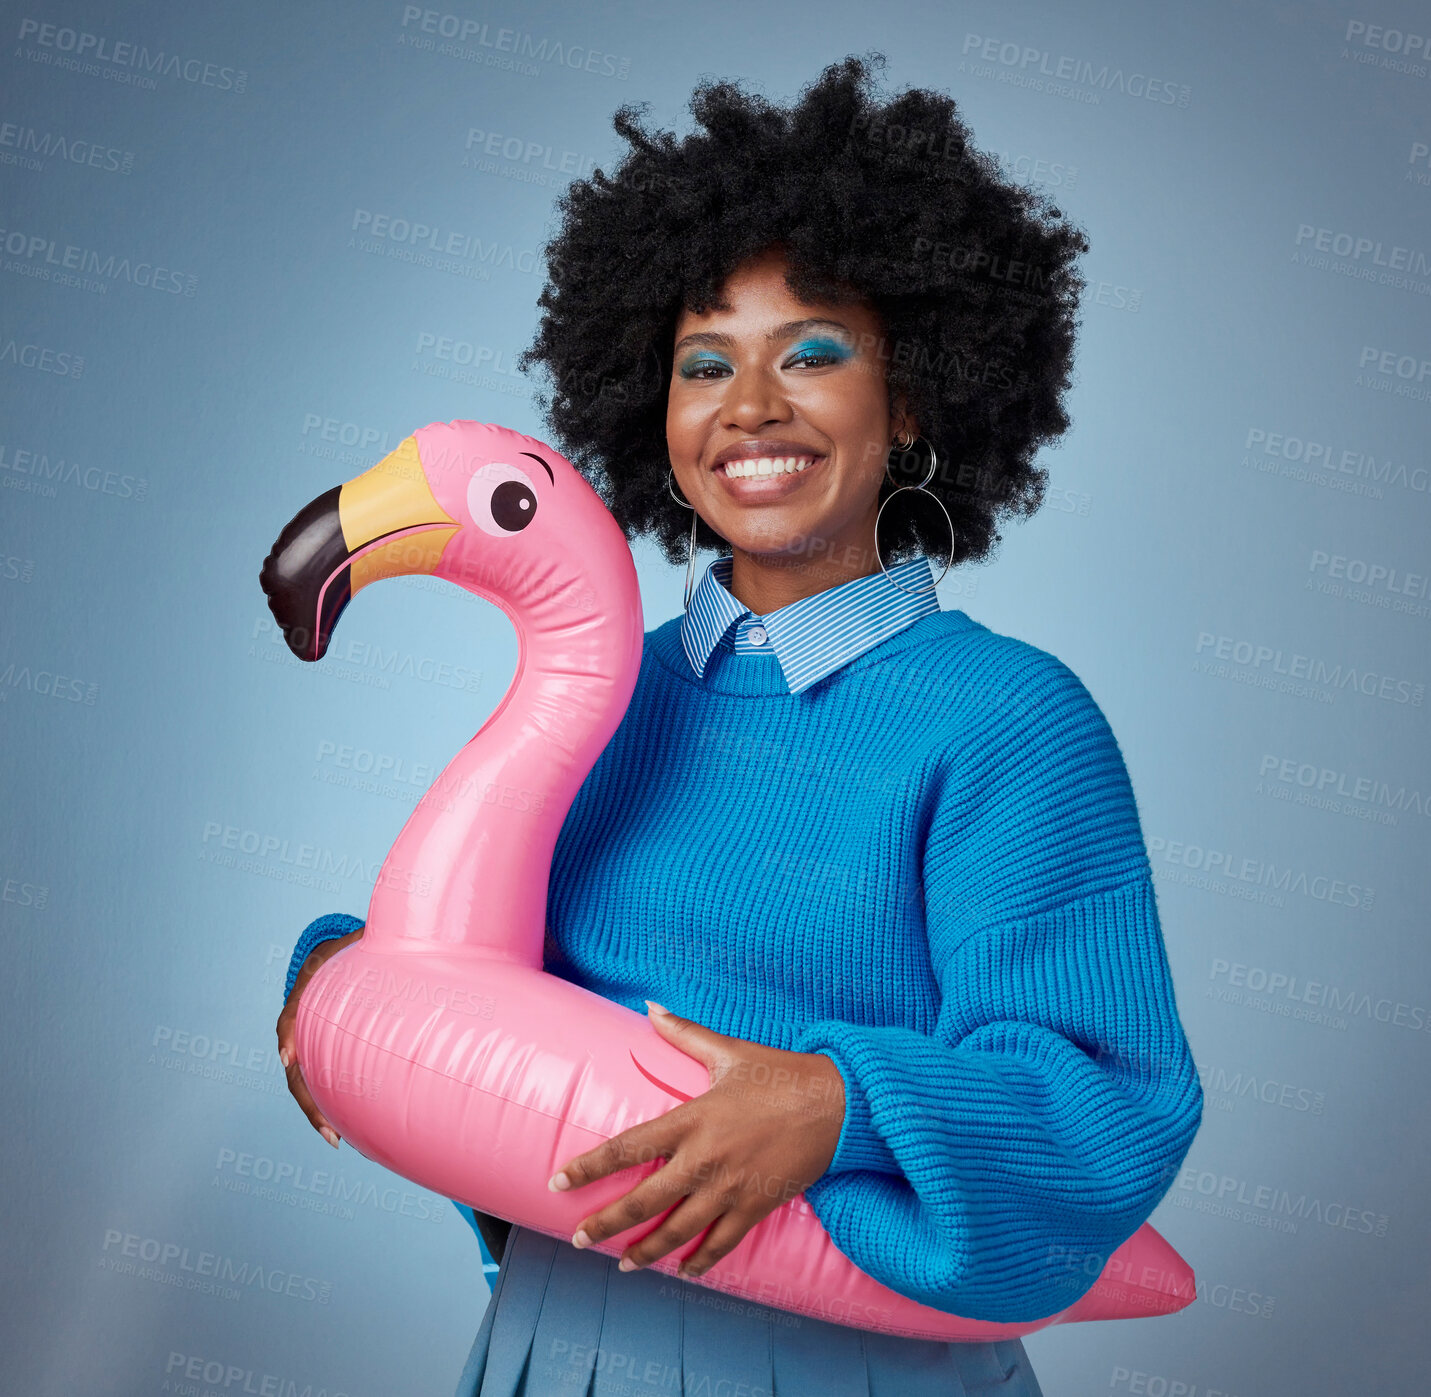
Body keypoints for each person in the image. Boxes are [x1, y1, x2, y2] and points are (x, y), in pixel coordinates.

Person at [276, 53, 1203, 1397]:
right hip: (550, 1344)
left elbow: (1106, 1105)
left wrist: (840, 1104)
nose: (751, 407)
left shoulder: (1010, 723)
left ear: (917, 394)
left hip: (848, 1366)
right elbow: (481, 958)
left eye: (813, 353)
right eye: (704, 362)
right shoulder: (603, 696)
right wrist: (336, 975)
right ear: (654, 409)